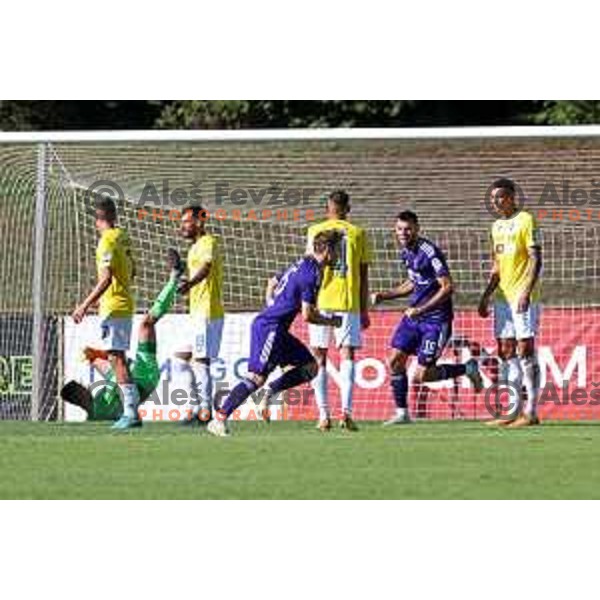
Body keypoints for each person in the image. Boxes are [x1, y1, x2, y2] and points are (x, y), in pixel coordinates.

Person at [207, 231, 343, 437]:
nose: (339, 255)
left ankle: (270, 391)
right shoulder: (312, 273)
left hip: (278, 328)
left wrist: (271, 303)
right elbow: (307, 315)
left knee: (311, 367)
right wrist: (331, 321)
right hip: (270, 327)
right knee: (255, 377)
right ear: (326, 250)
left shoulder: (302, 263)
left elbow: (272, 281)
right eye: (337, 250)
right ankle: (219, 418)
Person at [371, 210, 483, 425]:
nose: (403, 233)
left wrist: (421, 309)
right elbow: (413, 282)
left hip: (435, 322)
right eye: (399, 229)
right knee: (394, 361)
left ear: (417, 229)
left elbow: (448, 287)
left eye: (408, 229)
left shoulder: (429, 252)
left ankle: (467, 368)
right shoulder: (406, 252)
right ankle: (402, 413)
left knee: (422, 375)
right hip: (414, 318)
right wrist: (385, 295)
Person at [61, 250, 185, 422]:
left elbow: (106, 365)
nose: (86, 388)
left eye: (82, 387)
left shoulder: (99, 399)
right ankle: (131, 415)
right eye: (81, 390)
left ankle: (174, 278)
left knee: (146, 324)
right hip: (144, 380)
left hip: (139, 372)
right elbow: (111, 369)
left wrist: (94, 355)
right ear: (79, 398)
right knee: (145, 325)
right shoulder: (97, 416)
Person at [478, 178, 542, 427]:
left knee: (525, 350)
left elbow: (536, 259)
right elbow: (496, 267)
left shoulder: (526, 220)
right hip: (502, 298)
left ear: (512, 197)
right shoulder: (495, 227)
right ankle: (511, 411)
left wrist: (526, 291)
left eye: (501, 197)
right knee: (506, 352)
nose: (497, 201)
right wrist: (485, 295)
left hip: (522, 296)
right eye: (494, 198)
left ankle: (532, 411)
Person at [71, 196, 139, 429]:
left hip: (114, 307)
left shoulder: (105, 242)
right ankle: (130, 410)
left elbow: (105, 279)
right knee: (115, 357)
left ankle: (130, 413)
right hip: (124, 303)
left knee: (117, 359)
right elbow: (134, 271)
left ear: (98, 219)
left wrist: (84, 305)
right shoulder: (123, 236)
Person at [305, 190, 371, 431]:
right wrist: (364, 309)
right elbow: (364, 275)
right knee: (347, 356)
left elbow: (308, 270)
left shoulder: (314, 230)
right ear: (348, 208)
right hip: (348, 302)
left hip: (320, 300)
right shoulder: (358, 233)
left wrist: (306, 303)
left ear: (328, 208)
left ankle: (323, 416)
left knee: (318, 358)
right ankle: (347, 412)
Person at [177, 205, 225, 424]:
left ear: (199, 221)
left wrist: (190, 284)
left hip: (207, 310)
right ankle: (195, 407)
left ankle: (205, 412)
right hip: (195, 311)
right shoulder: (193, 247)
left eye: (186, 221)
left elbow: (206, 268)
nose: (182, 226)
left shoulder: (208, 242)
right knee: (180, 357)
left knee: (200, 360)